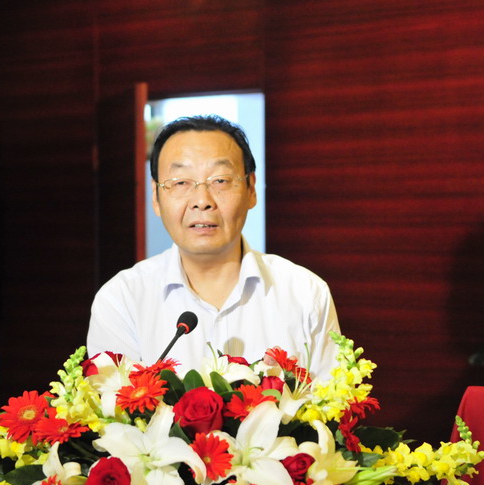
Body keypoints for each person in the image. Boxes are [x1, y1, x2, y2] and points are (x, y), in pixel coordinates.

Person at [86, 115, 340, 378]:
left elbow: (332, 400)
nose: (202, 200)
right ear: (156, 197)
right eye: (180, 182)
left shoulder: (305, 294)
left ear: (251, 189)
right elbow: (112, 401)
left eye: (220, 180)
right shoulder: (122, 300)